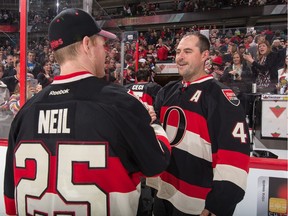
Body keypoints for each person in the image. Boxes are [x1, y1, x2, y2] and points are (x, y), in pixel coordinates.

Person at [4, 8, 171, 216]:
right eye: (103, 44)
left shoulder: (25, 113)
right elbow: (156, 164)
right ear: (86, 44)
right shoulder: (121, 103)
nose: (107, 51)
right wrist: (154, 125)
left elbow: (10, 204)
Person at [147, 32, 250, 216]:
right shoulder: (168, 91)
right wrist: (149, 118)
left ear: (204, 55)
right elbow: (159, 134)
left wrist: (218, 205)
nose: (180, 57)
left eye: (187, 51)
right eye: (178, 51)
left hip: (197, 203)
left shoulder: (220, 96)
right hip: (165, 193)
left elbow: (234, 157)